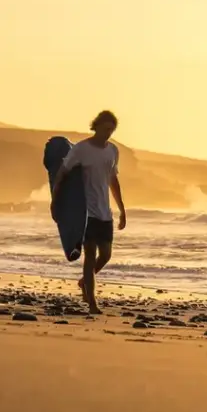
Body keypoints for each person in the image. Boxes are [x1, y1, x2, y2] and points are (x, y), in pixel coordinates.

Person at [50, 111, 126, 314]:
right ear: (96, 126)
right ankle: (92, 303)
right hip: (86, 212)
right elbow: (62, 174)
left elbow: (113, 180)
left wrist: (122, 209)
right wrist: (55, 201)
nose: (108, 133)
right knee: (90, 256)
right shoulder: (81, 149)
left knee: (106, 255)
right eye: (105, 129)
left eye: (112, 130)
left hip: (105, 212)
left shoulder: (113, 151)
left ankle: (84, 282)